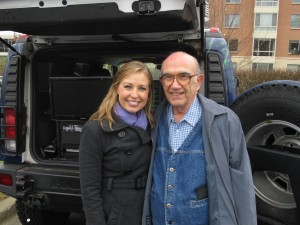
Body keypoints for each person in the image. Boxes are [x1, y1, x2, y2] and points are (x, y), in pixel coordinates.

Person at [142, 51, 257, 225]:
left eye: (183, 76)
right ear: (161, 82)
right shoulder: (153, 120)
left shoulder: (224, 121)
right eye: (168, 77)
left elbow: (243, 185)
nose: (175, 85)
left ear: (199, 81)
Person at [79, 61, 154, 225]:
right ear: (116, 88)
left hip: (149, 209)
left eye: (142, 88)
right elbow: (89, 189)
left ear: (149, 94)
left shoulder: (153, 125)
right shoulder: (95, 129)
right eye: (128, 86)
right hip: (117, 214)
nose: (135, 95)